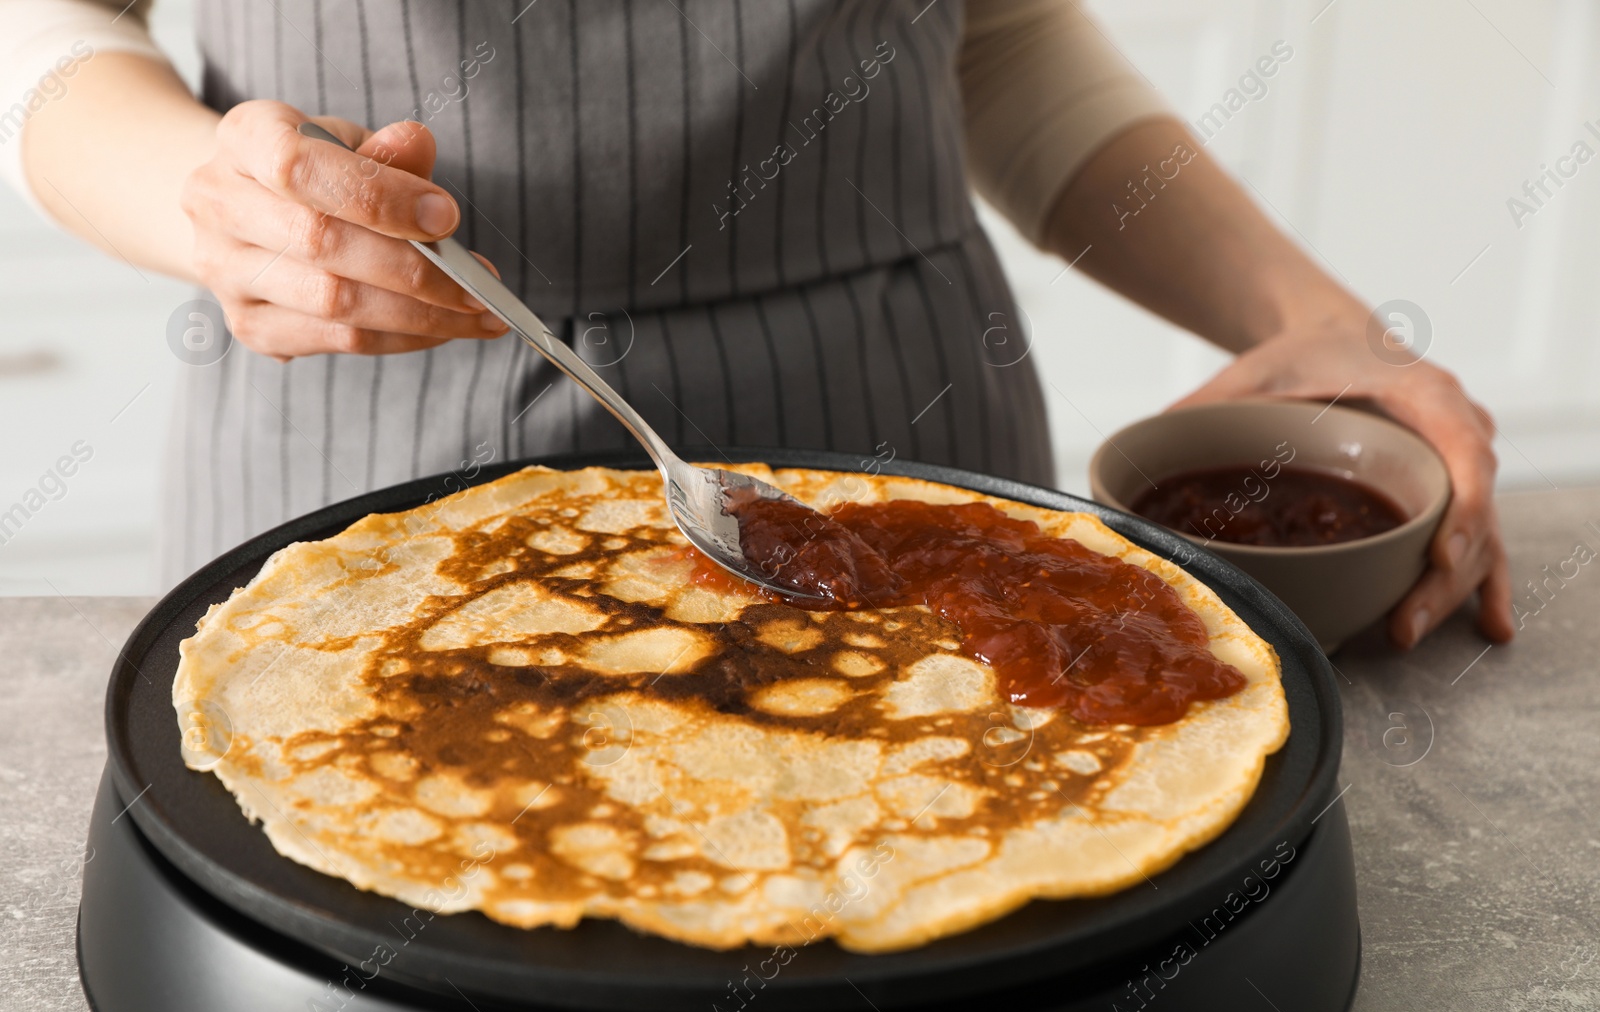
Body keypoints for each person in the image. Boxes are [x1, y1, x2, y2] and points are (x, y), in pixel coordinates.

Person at [4, 0, 1510, 648]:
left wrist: (1318, 323)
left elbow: (985, 36)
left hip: (899, 423)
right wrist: (200, 191)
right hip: (359, 382)